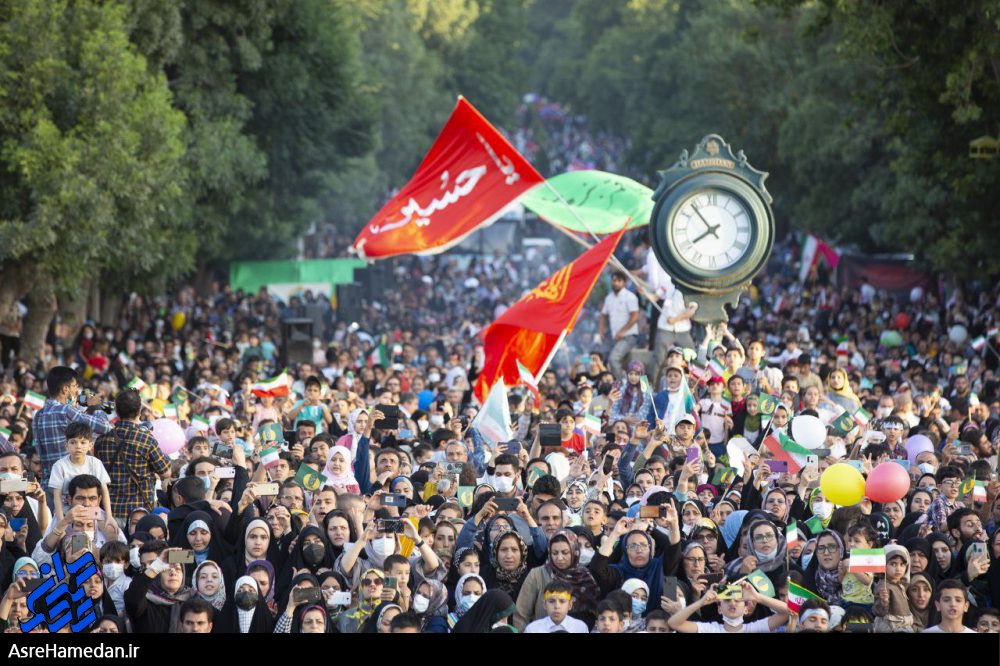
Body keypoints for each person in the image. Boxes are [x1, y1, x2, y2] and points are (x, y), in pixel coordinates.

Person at [31, 366, 112, 494]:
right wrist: (98, 409)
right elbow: (105, 427)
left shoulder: (38, 415)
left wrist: (82, 405)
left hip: (49, 486)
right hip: (72, 488)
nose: (76, 391)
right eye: (74, 386)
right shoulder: (66, 411)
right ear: (65, 389)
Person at [94, 388, 170, 521]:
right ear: (139, 411)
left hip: (109, 512)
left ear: (116, 411)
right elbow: (165, 473)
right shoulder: (146, 438)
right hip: (139, 513)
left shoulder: (101, 439)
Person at [667, 580, 789, 633]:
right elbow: (674, 623)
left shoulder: (754, 629)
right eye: (727, 600)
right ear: (719, 608)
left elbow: (788, 611)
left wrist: (757, 597)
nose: (732, 603)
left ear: (746, 608)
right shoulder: (710, 629)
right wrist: (701, 602)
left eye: (738, 600)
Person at [597, 272, 640, 379]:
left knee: (613, 359)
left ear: (624, 283)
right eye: (614, 280)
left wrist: (622, 331)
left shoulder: (630, 297)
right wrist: (601, 331)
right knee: (599, 356)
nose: (615, 283)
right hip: (614, 337)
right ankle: (604, 384)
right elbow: (603, 315)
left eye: (619, 281)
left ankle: (619, 385)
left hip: (629, 336)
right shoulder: (609, 298)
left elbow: (635, 316)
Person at [524, 580, 589, 633]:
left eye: (562, 601)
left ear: (570, 605)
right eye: (551, 601)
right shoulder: (533, 629)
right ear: (544, 604)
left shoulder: (580, 628)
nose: (557, 606)